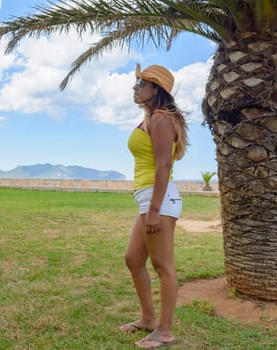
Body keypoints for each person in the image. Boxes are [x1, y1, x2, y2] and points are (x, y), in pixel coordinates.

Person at [119, 63, 187, 349]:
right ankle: (148, 319)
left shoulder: (161, 119)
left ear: (156, 90)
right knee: (133, 259)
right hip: (149, 199)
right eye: (136, 83)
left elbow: (164, 166)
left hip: (159, 200)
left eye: (141, 84)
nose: (135, 88)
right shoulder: (152, 117)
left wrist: (155, 210)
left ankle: (165, 331)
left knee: (163, 266)